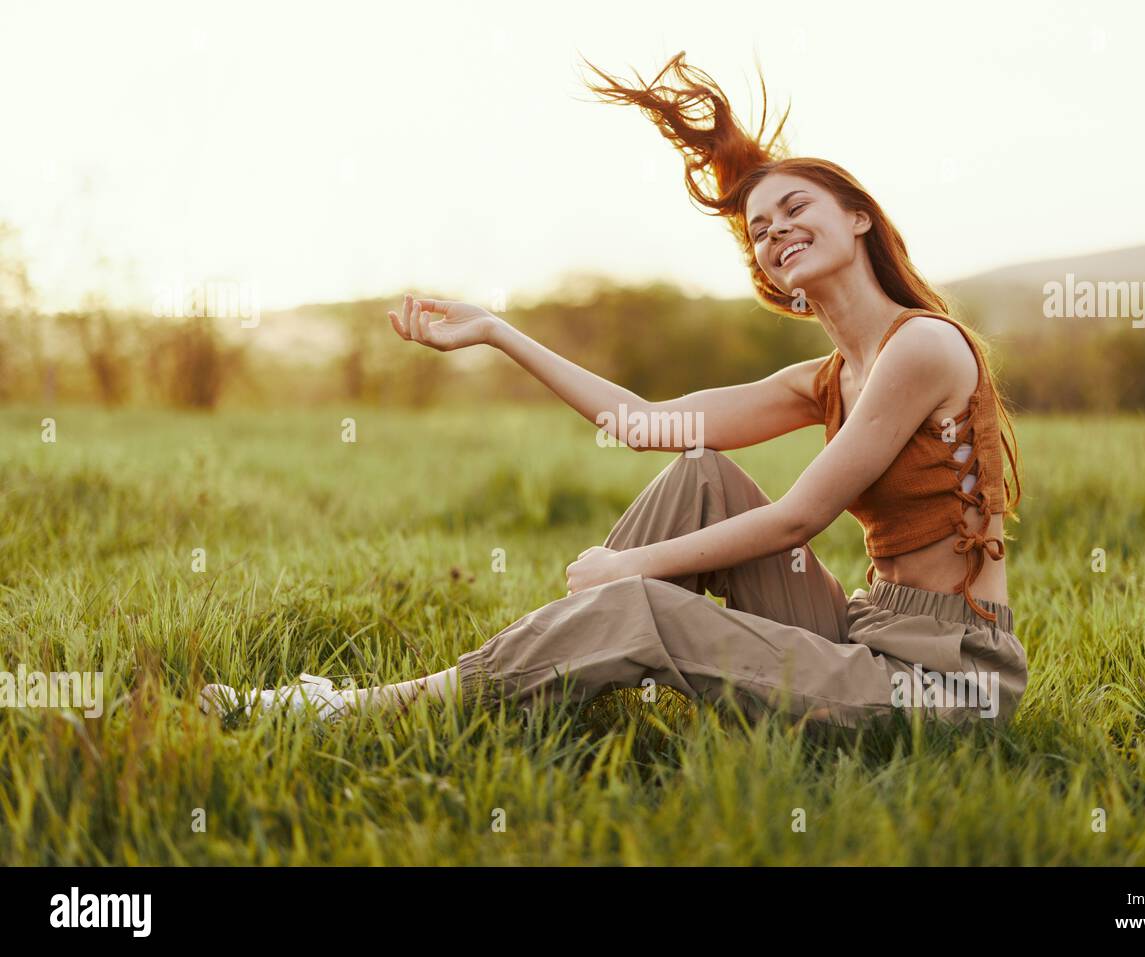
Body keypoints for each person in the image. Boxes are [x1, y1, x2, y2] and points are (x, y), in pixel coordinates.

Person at [201, 52, 1027, 731]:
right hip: (862, 630)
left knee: (640, 603)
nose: (775, 233)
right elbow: (642, 424)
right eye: (761, 230)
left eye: (794, 208)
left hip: (945, 682)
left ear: (858, 219)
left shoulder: (920, 343)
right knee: (698, 475)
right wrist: (496, 330)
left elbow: (797, 518)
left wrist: (627, 568)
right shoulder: (826, 377)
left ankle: (360, 711)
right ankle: (542, 684)